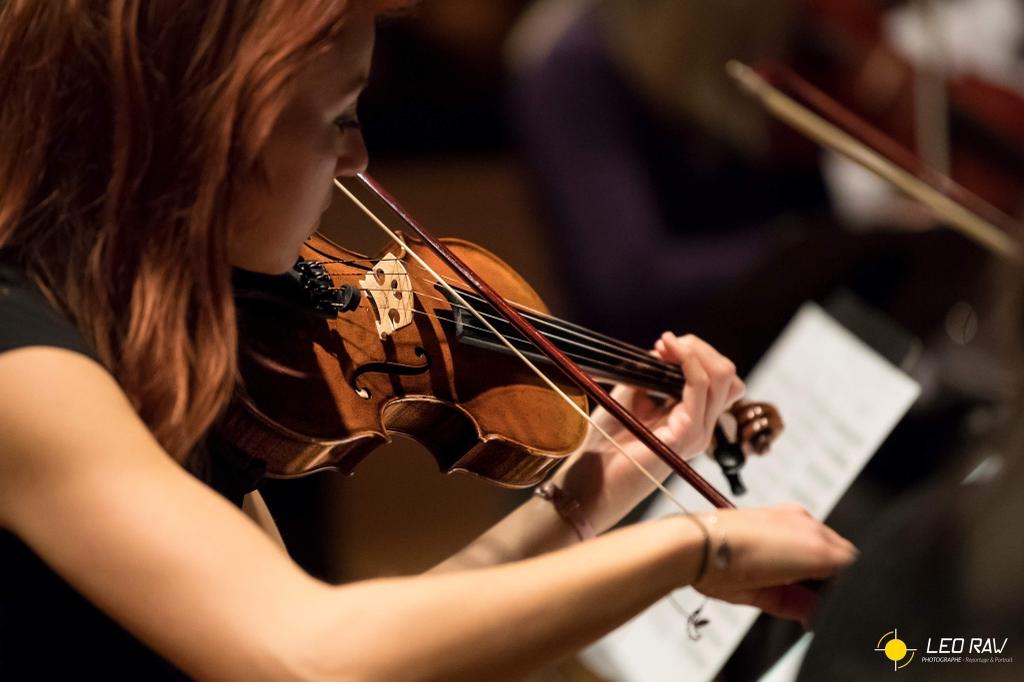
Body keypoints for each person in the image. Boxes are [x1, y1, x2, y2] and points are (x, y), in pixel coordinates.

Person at [0, 1, 856, 678]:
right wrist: (696, 547)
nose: (357, 159)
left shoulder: (163, 342)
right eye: (340, 115)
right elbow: (309, 656)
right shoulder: (23, 359)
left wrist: (595, 491)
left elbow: (361, 647)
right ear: (218, 123)